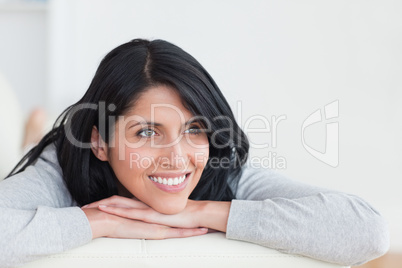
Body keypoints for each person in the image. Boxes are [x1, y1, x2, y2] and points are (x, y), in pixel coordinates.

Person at [0, 39, 389, 267]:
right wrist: (98, 221)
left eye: (194, 129)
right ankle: (35, 133)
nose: (178, 157)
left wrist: (200, 210)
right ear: (101, 142)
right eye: (148, 131)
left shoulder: (220, 171)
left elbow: (368, 230)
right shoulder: (62, 167)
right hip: (65, 146)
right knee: (37, 144)